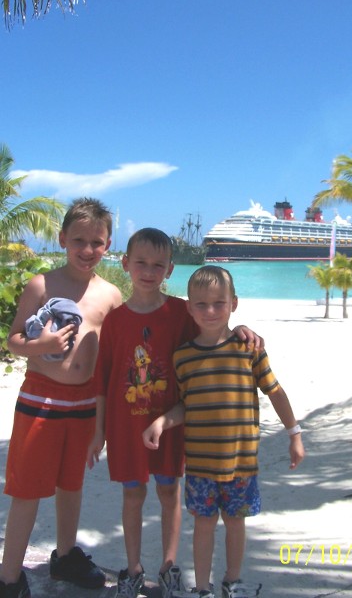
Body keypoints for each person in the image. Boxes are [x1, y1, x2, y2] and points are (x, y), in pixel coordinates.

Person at [87, 229, 263, 598]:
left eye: (158, 265)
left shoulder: (182, 311)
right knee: (132, 495)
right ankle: (133, 568)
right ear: (125, 264)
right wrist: (98, 432)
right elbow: (102, 381)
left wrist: (242, 329)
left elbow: (216, 329)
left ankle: (169, 565)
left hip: (171, 424)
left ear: (169, 269)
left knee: (170, 492)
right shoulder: (115, 320)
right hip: (126, 426)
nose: (149, 271)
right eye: (141, 263)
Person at [142, 265, 305, 598]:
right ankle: (202, 587)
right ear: (189, 307)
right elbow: (189, 404)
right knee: (202, 527)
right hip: (201, 466)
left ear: (234, 303)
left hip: (241, 465)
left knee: (235, 524)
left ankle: (232, 582)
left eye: (219, 303)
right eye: (200, 304)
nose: (210, 311)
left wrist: (294, 433)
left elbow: (275, 392)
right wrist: (162, 422)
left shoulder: (249, 349)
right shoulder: (183, 357)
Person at [0, 198, 123, 598]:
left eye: (97, 242)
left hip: (86, 407)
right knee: (27, 489)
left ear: (108, 244)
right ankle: (9, 577)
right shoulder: (42, 284)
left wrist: (104, 424)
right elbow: (14, 340)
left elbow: (114, 358)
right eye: (79, 241)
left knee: (71, 486)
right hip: (40, 402)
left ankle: (65, 556)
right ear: (62, 239)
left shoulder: (111, 295)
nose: (88, 250)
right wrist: (45, 344)